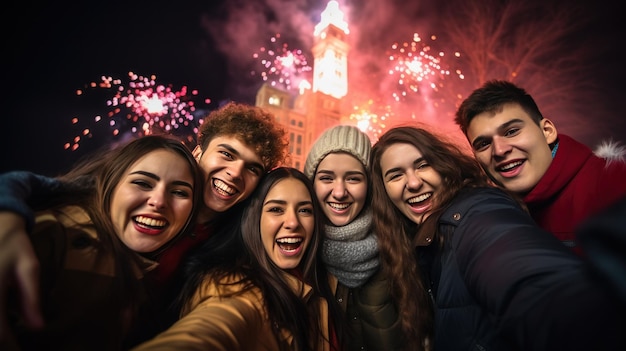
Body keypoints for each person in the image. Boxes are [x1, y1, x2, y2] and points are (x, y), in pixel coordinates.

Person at [0, 102, 289, 342]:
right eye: (227, 153)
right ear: (198, 152)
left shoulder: (236, 238)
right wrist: (8, 215)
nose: (236, 173)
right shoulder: (134, 192)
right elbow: (44, 186)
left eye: (252, 168)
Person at [369, 125, 626, 351]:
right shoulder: (417, 244)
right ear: (384, 191)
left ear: (444, 167)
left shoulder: (476, 211)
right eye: (396, 175)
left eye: (423, 165)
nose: (413, 183)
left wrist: (584, 318)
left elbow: (515, 264)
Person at [1, 135, 204, 350]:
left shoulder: (145, 269)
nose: (159, 201)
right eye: (142, 183)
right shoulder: (53, 235)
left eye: (179, 192)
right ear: (109, 185)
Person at [131, 167, 346, 351]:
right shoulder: (226, 284)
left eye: (305, 210)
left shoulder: (325, 279)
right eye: (276, 209)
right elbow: (218, 322)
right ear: (254, 219)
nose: (292, 222)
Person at [454, 79, 626, 254]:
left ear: (547, 131)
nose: (499, 150)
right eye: (483, 144)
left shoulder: (612, 185)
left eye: (512, 132)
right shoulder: (498, 215)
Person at [303, 125, 431, 351]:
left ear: (370, 185)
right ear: (311, 184)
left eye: (353, 179)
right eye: (326, 178)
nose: (340, 192)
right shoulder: (295, 248)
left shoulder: (402, 240)